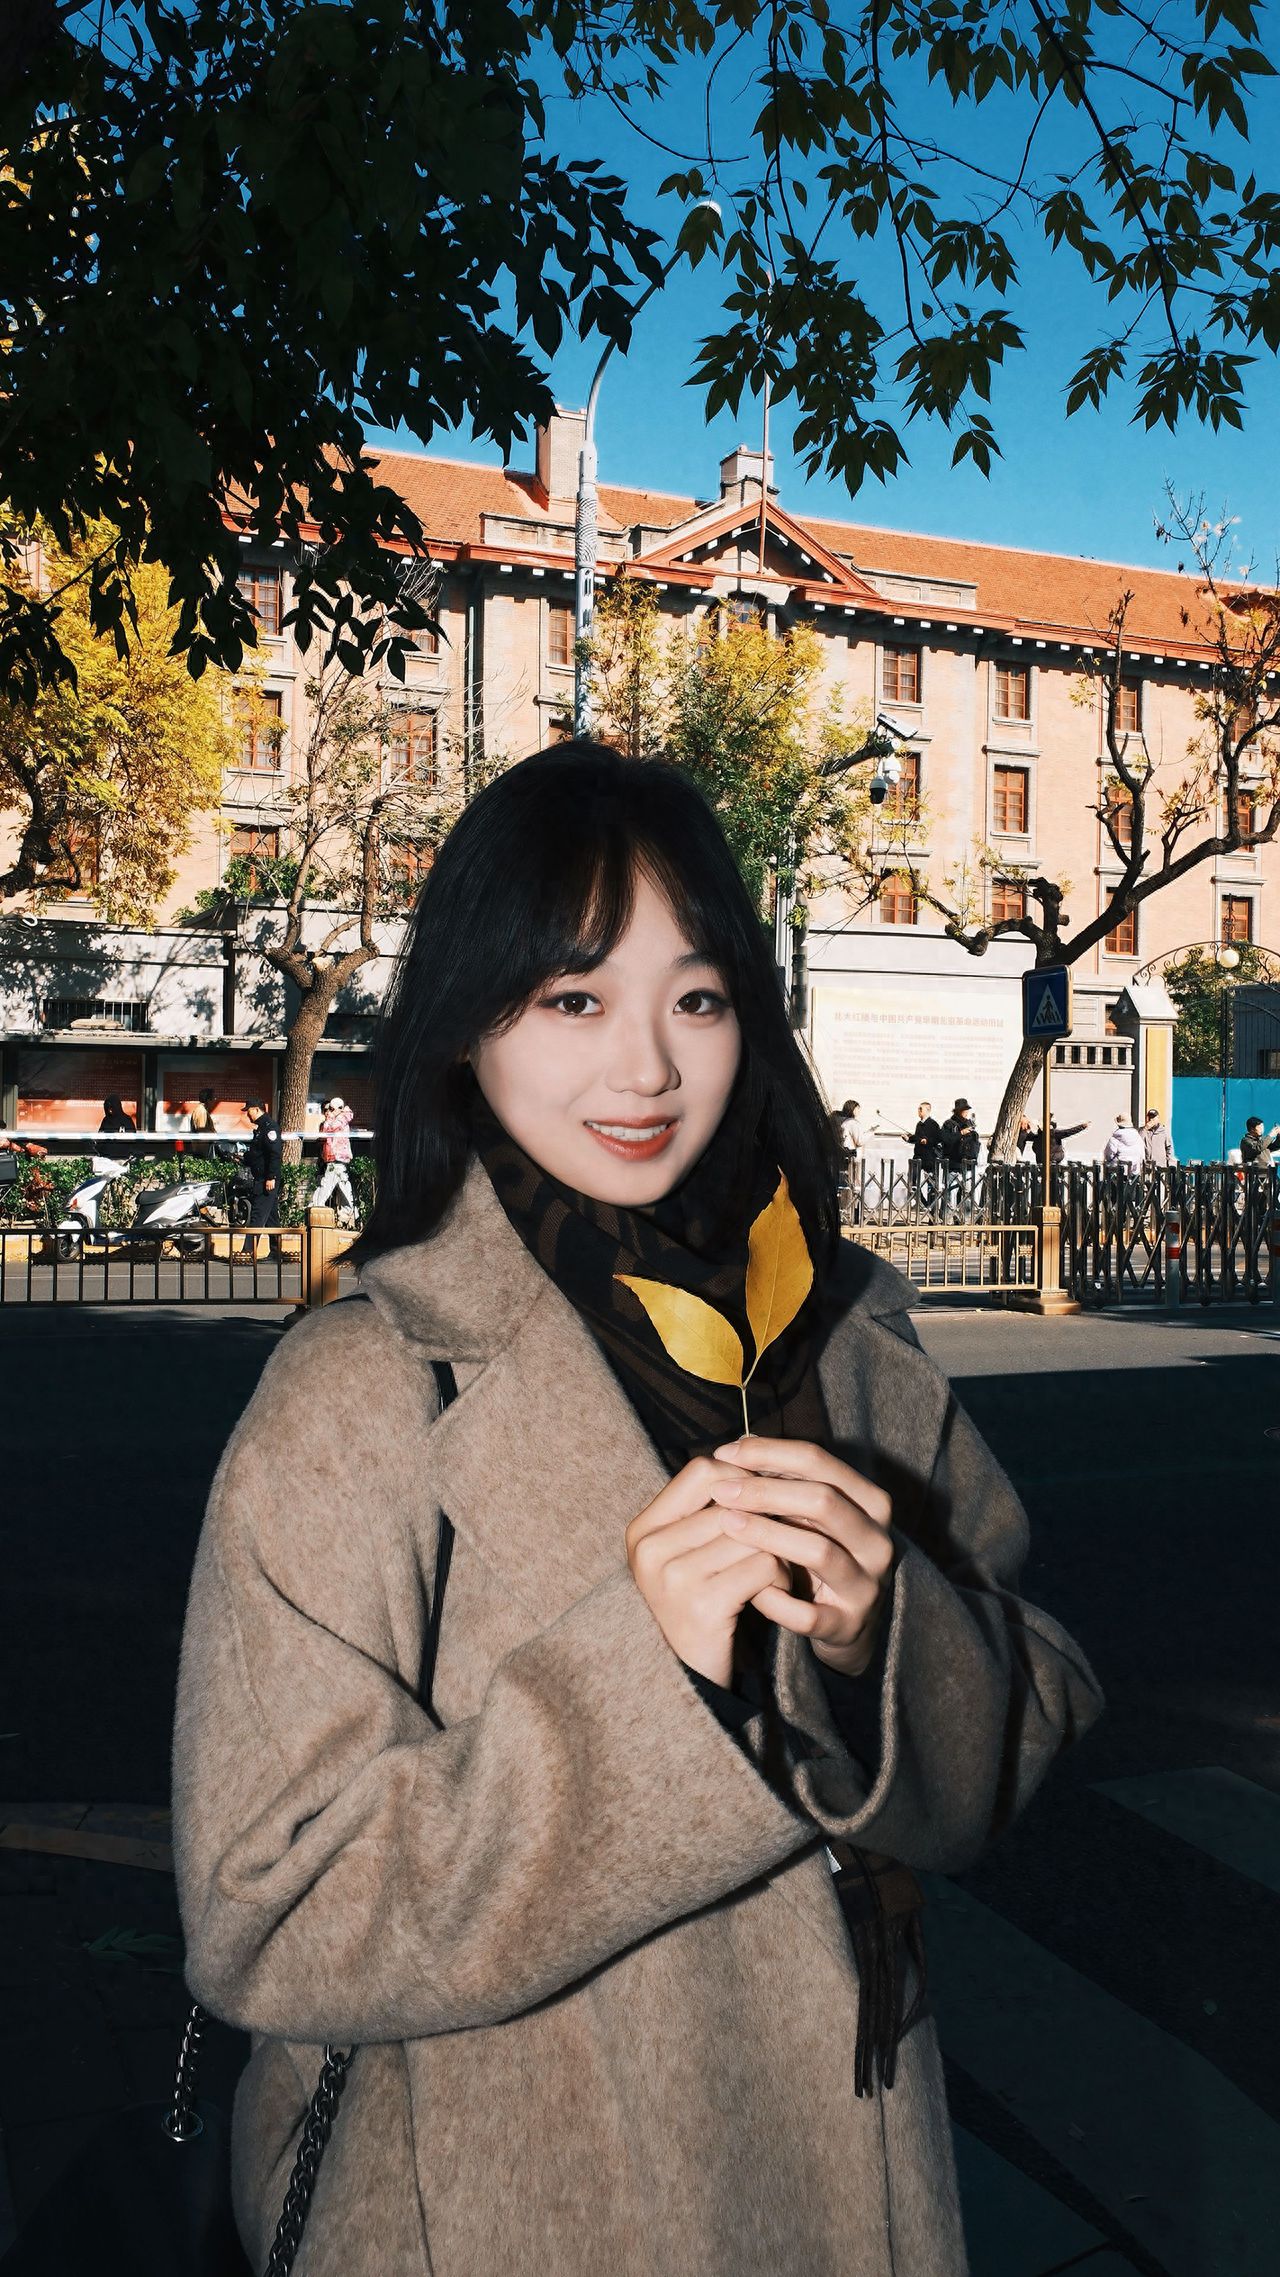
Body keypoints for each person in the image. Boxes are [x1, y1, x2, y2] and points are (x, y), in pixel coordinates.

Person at [172, 739, 1103, 2277]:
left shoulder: (838, 1327)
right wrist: (650, 1683)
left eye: (698, 997)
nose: (649, 1069)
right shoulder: (366, 1385)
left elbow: (1037, 1698)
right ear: (471, 1026)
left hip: (847, 2185)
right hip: (508, 2203)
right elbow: (270, 1909)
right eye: (574, 1000)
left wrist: (885, 1642)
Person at [233, 1098, 283, 1260]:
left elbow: (274, 1155)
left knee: (257, 1215)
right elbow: (258, 1154)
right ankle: (276, 1252)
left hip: (266, 1180)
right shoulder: (261, 1128)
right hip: (262, 1177)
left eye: (248, 1111)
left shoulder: (270, 1128)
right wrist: (242, 1158)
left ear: (256, 1109)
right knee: (271, 1218)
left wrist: (271, 1177)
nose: (247, 1115)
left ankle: (248, 1252)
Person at [312, 1095, 357, 1219]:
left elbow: (328, 1129)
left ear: (339, 1109)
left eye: (331, 1109)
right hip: (336, 1157)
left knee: (327, 1184)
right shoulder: (341, 1119)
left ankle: (317, 1207)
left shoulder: (339, 1120)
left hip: (336, 1157)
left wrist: (329, 1118)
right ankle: (350, 1211)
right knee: (343, 1184)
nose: (329, 1112)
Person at [939, 1096, 980, 1219]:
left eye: (967, 1109)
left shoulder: (969, 1124)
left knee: (967, 1193)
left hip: (968, 1165)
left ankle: (965, 1218)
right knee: (951, 1192)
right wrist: (961, 1133)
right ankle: (948, 1217)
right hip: (953, 1164)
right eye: (964, 1110)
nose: (966, 1112)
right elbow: (945, 1140)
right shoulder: (948, 1124)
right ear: (958, 1111)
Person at [97, 1093, 137, 1160]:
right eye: (108, 1108)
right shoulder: (106, 1120)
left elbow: (132, 1139)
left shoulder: (126, 1120)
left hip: (123, 1156)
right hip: (106, 1156)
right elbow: (100, 1136)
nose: (110, 1111)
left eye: (112, 1108)